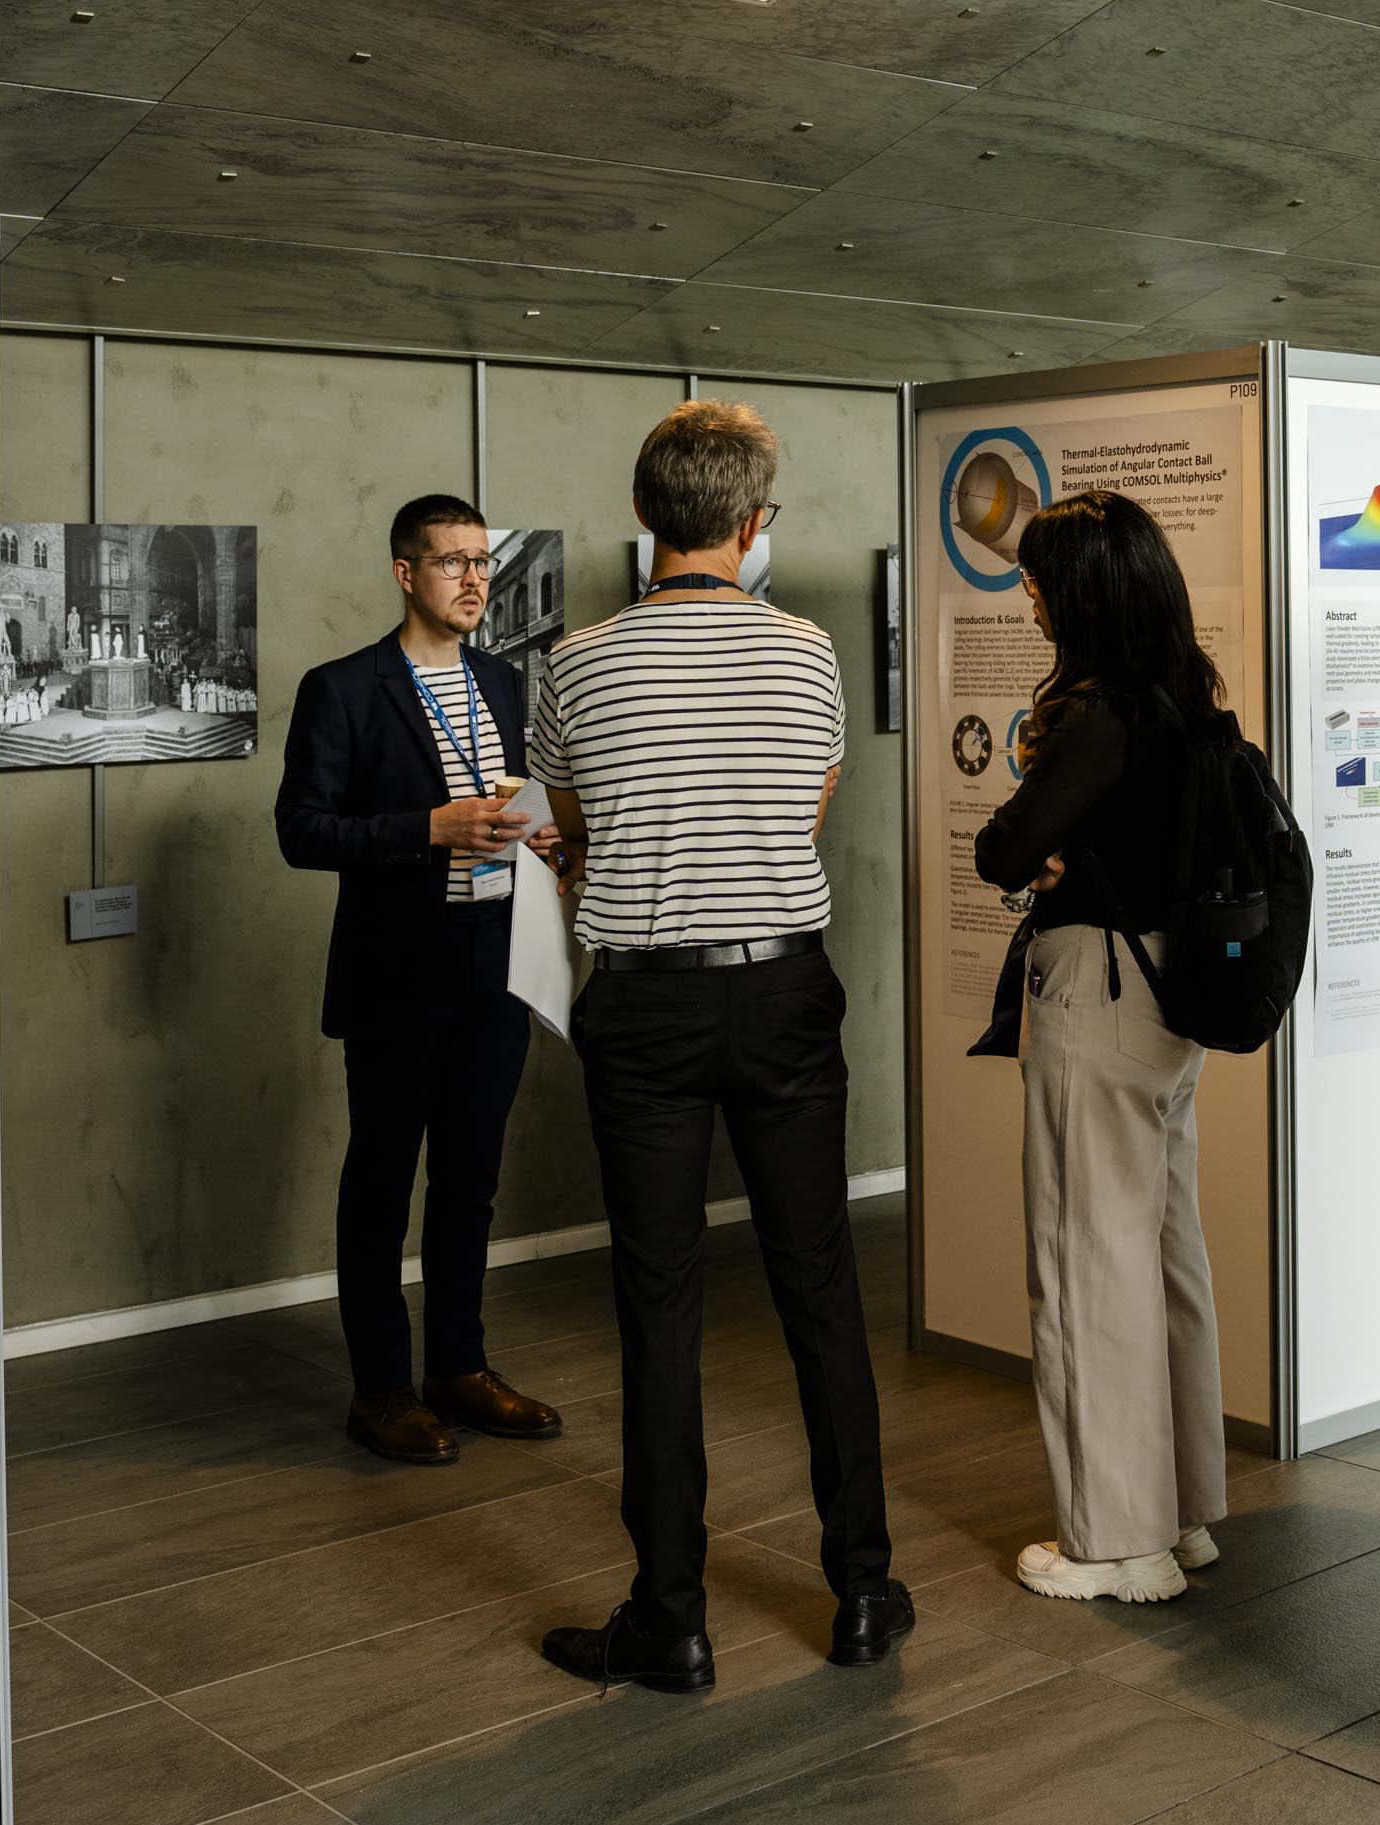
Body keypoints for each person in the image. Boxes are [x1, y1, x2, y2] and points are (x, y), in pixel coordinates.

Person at [530, 401, 908, 1694]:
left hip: (643, 1004)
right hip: (783, 991)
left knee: (660, 1307)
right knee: (818, 1293)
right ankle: (861, 1589)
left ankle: (670, 1619)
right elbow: (802, 814)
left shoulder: (572, 663)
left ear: (643, 515)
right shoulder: (807, 654)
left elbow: (572, 832)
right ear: (752, 526)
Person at [971, 490, 1229, 1605]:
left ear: (1078, 593)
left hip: (1097, 995)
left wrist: (1042, 847)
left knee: (1086, 1264)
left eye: (1036, 582)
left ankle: (1115, 1545)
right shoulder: (1189, 700)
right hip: (1172, 1000)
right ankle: (1178, 1514)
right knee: (1165, 1252)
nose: (1026, 599)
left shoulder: (1097, 716)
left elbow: (998, 848)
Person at [273, 493, 564, 1467]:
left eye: (483, 561)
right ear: (406, 573)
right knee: (381, 1182)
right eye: (452, 562)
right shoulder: (344, 687)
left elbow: (513, 798)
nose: (474, 579)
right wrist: (428, 828)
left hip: (498, 960)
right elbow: (300, 829)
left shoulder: (504, 681)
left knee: (471, 1180)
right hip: (399, 971)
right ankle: (381, 1391)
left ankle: (460, 1368)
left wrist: (539, 832)